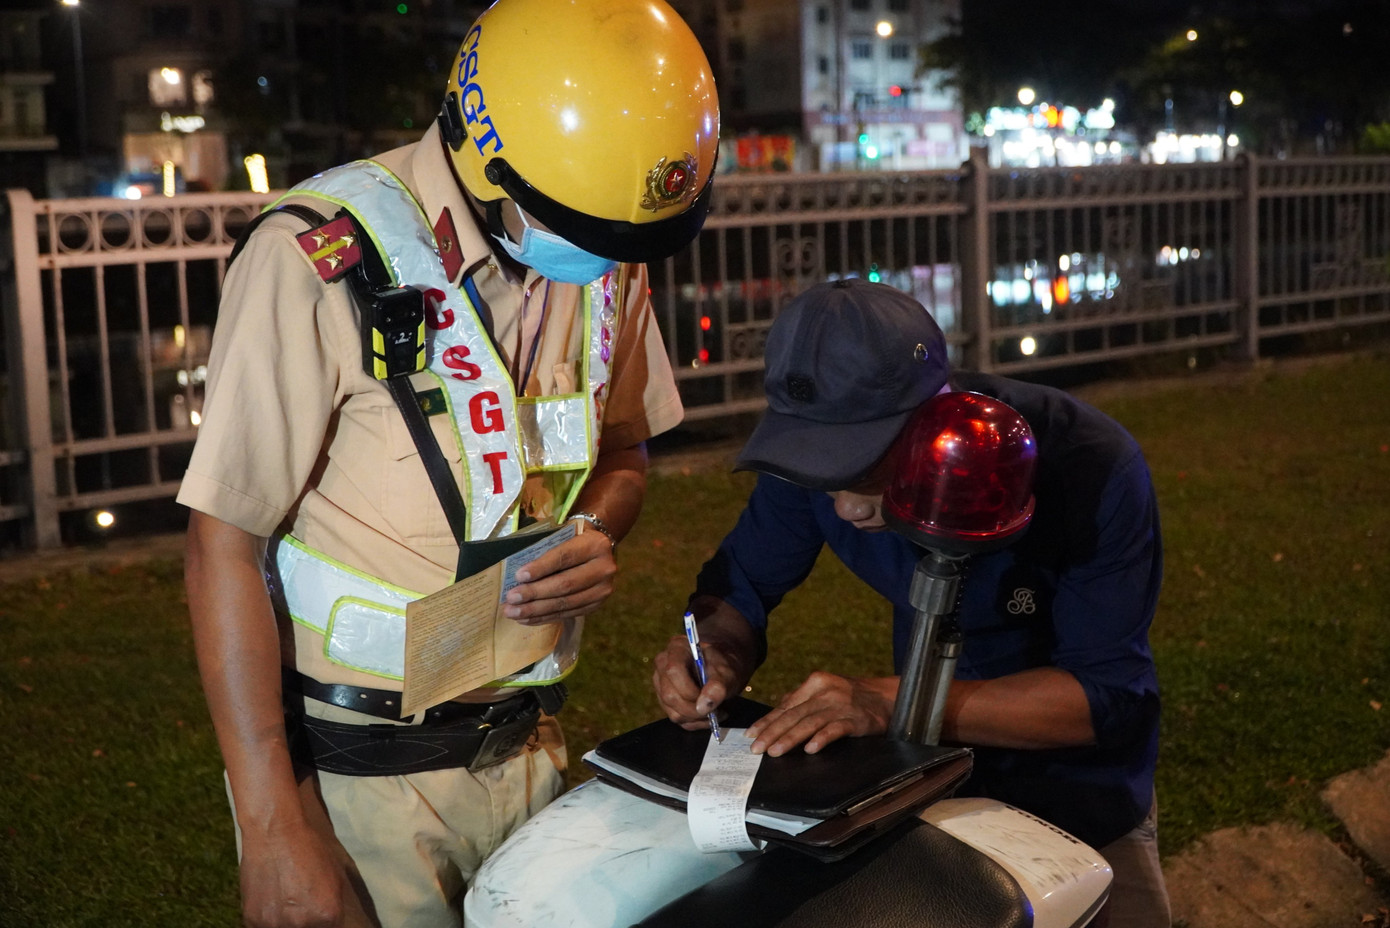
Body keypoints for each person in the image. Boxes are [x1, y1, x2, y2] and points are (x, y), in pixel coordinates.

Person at [178, 2, 718, 925]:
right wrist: (274, 827)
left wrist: (596, 526)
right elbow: (221, 544)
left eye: (621, 245)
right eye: (574, 227)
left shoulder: (606, 254)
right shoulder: (317, 261)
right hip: (355, 784)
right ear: (483, 151)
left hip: (530, 748)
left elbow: (623, 450)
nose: (596, 264)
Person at [652, 278, 1171, 927]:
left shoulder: (1089, 467)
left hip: (1079, 804)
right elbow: (738, 588)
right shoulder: (813, 473)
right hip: (927, 791)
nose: (844, 505)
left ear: (938, 416)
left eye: (864, 463)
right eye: (821, 466)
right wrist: (712, 652)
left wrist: (893, 700)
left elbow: (1107, 700)